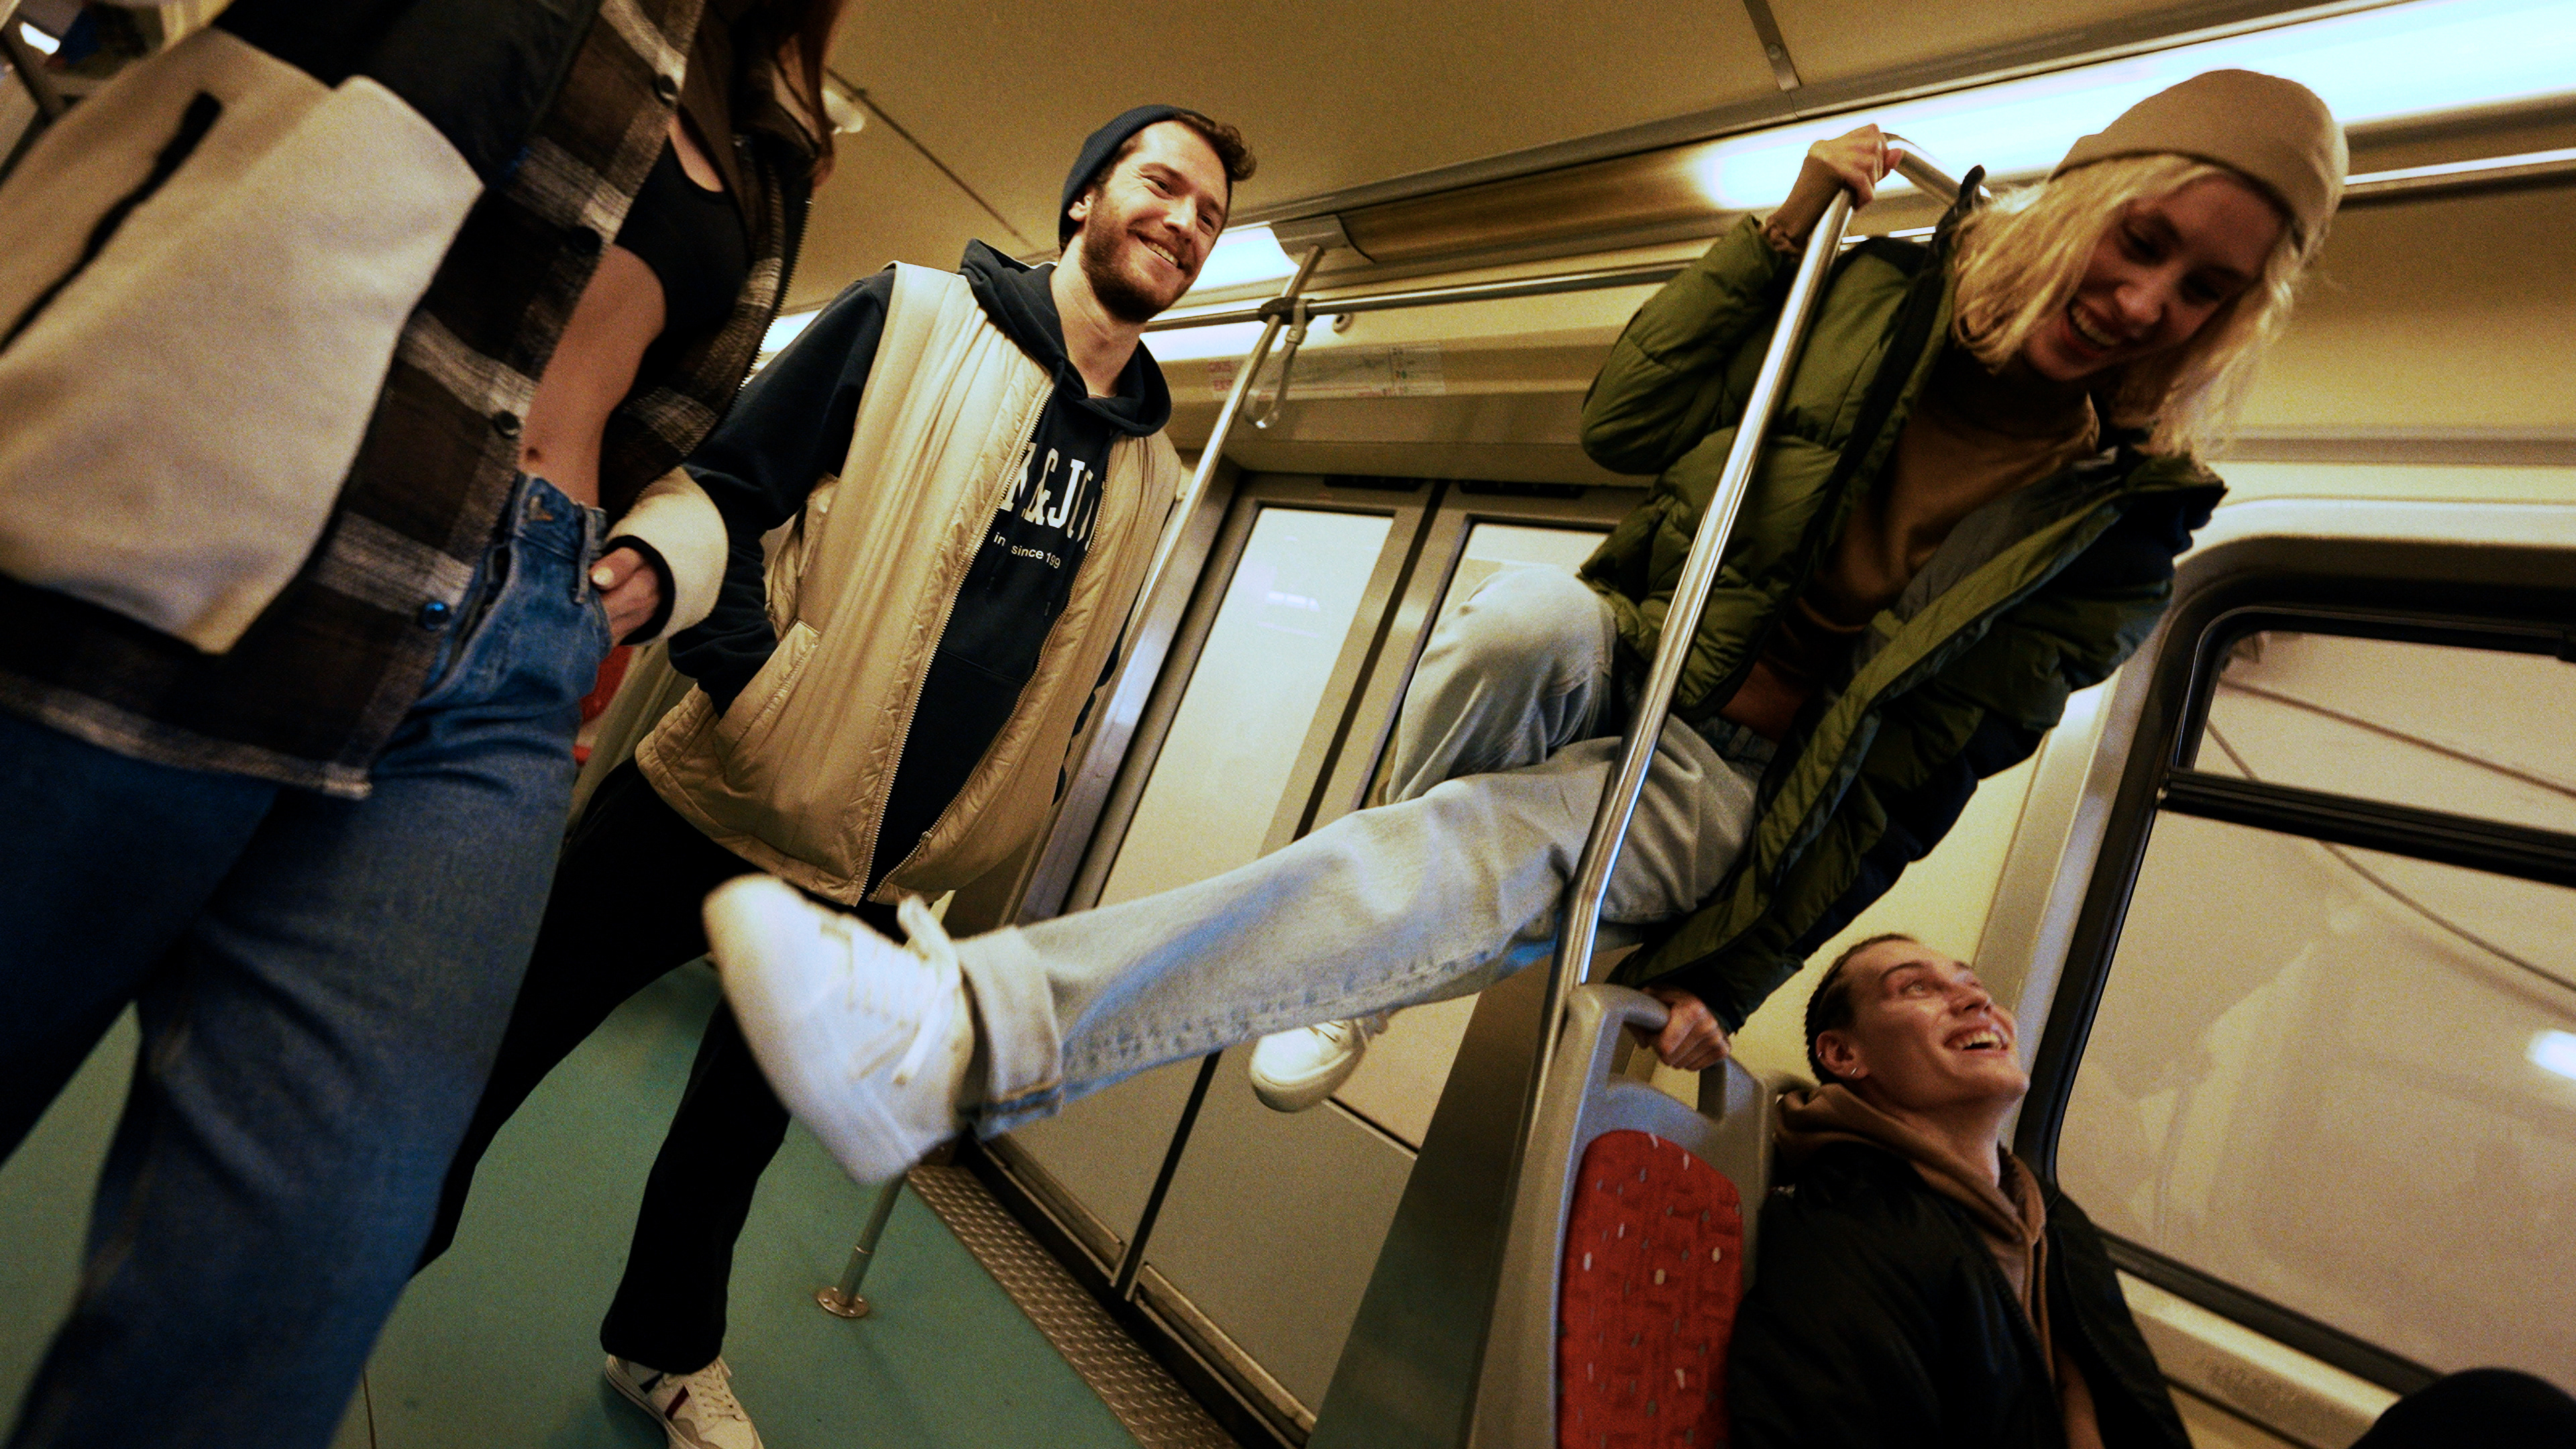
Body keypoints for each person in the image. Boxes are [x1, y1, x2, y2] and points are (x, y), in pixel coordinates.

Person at [702, 70, 2345, 1187]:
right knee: (1514, 621)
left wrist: (1734, 971)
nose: (2147, 303)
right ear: (2088, 200)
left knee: (1473, 844)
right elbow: (1627, 422)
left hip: (1738, 772)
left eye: (2203, 291)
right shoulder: (1870, 291)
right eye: (2142, 242)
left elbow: (1925, 771)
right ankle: (1359, 951)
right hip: (1633, 639)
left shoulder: (2121, 527)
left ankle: (973, 1037)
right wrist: (1777, 236)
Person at [0, 0, 839, 1444]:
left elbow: (678, 417)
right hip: (183, 498)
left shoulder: (768, 128)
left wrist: (642, 562)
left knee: (302, 1271)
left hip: (506, 651)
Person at [415, 105, 1256, 1449]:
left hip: (874, 872)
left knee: (736, 1140)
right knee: (493, 1043)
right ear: (1087, 196)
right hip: (713, 796)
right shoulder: (910, 317)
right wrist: (763, 690)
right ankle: (344, 1261)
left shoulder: (1152, 471)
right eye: (1162, 185)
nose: (1185, 223)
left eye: (1210, 215)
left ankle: (661, 1349)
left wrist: (997, 817)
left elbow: (1072, 671)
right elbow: (728, 491)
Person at [1726, 932, 2576, 1448]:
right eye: (1916, 987)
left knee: (2500, 1416)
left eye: (1969, 980)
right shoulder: (1847, 1234)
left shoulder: (2047, 1222)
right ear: (1844, 1056)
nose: (1971, 995)